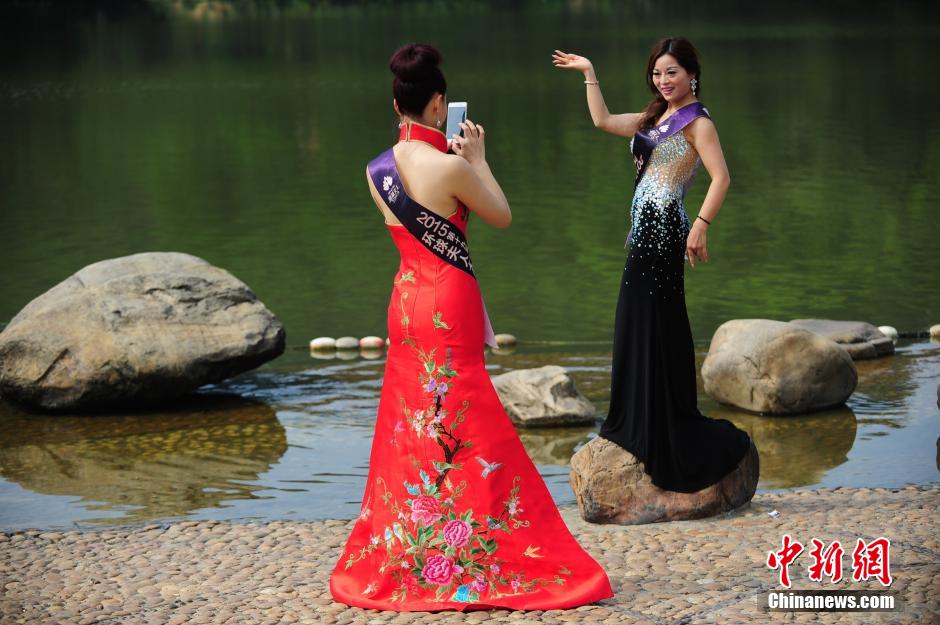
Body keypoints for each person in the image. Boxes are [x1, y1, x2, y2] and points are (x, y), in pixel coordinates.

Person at [329, 43, 613, 611]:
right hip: (448, 302)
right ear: (439, 104)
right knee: (469, 418)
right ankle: (479, 540)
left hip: (406, 302)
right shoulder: (453, 166)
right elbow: (500, 216)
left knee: (412, 423)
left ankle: (416, 545)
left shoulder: (376, 169)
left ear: (396, 104)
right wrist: (478, 159)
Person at [552, 38, 751, 493]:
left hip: (664, 232)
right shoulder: (654, 117)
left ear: (691, 74)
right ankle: (638, 419)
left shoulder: (697, 122)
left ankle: (661, 424)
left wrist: (700, 226)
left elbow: (722, 177)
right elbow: (602, 120)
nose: (664, 81)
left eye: (672, 72)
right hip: (644, 231)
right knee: (638, 321)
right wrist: (589, 73)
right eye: (658, 73)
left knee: (655, 322)